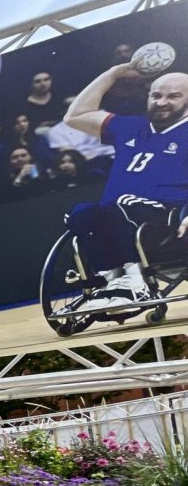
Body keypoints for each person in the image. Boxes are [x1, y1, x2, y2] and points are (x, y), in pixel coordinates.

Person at [62, 64, 188, 307]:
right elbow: (74, 116)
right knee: (80, 213)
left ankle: (135, 280)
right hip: (116, 215)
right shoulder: (130, 126)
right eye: (156, 95)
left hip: (167, 217)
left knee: (121, 204)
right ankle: (109, 279)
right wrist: (113, 73)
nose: (162, 102)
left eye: (174, 96)